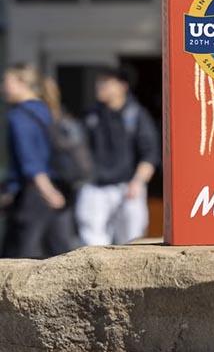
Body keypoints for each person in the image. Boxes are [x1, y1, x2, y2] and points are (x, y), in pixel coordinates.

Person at [77, 67, 159, 246]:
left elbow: (150, 154)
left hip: (128, 187)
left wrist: (138, 182)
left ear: (122, 86)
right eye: (99, 82)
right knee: (92, 240)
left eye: (106, 82)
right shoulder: (91, 115)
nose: (100, 87)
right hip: (95, 187)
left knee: (132, 241)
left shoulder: (136, 115)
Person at [1, 64, 77, 258]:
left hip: (35, 192)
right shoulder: (47, 110)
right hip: (55, 188)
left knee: (19, 255)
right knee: (59, 253)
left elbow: (30, 160)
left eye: (7, 82)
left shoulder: (19, 116)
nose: (3, 87)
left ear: (22, 83)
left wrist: (47, 191)